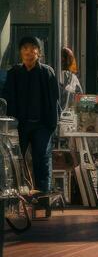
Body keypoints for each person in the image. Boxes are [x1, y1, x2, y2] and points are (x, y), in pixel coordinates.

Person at [2, 37, 60, 193]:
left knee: (42, 159)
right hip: (19, 125)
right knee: (12, 160)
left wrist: (52, 126)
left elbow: (54, 100)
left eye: (33, 48)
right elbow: (7, 97)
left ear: (39, 52)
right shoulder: (14, 73)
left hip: (42, 125)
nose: (29, 52)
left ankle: (43, 197)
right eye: (25, 48)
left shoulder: (47, 72)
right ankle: (14, 195)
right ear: (20, 52)